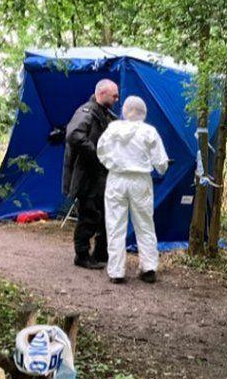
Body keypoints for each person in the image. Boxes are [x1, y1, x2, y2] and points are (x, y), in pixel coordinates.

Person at [96, 96, 168, 284]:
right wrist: (160, 169)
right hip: (141, 180)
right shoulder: (149, 131)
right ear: (143, 112)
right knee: (144, 224)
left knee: (115, 225)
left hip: (116, 179)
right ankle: (149, 268)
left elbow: (101, 151)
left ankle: (116, 271)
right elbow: (161, 163)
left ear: (125, 111)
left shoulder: (113, 128)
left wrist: (112, 164)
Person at [63, 79, 119, 269]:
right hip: (86, 175)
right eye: (114, 95)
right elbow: (73, 135)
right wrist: (96, 153)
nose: (117, 98)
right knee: (89, 215)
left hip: (100, 175)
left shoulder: (107, 115)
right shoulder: (86, 112)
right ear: (102, 93)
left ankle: (100, 253)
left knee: (104, 214)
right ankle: (82, 255)